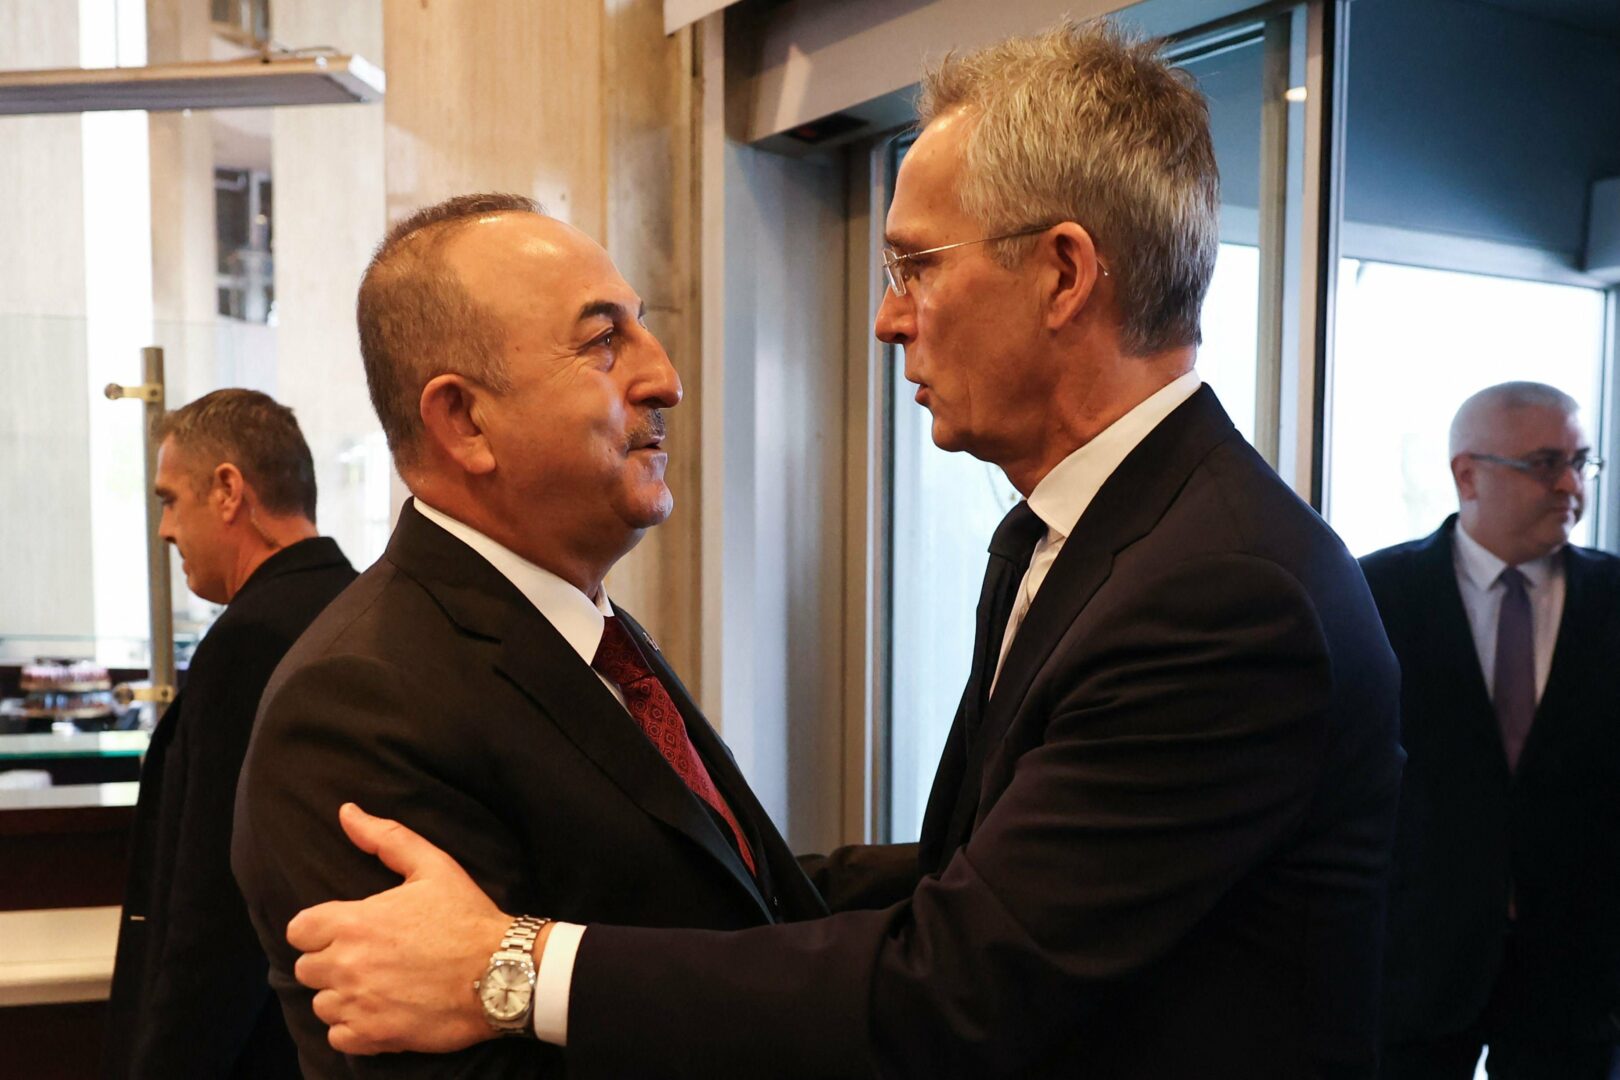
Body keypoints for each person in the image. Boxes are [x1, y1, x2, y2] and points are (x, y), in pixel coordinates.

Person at [284, 21, 1404, 1078]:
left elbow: (957, 981)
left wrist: (516, 968)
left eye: (917, 265)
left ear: (1064, 274)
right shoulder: (1088, 538)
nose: (888, 316)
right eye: (601, 340)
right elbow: (979, 874)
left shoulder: (1221, 594)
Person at [229, 193, 828, 1078]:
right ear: (464, 421)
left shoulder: (587, 633)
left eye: (642, 328)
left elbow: (740, 899)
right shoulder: (356, 703)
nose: (665, 378)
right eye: (603, 341)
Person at [1361, 382, 1620, 1080]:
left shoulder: (1613, 597)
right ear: (1467, 475)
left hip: (1577, 974)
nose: (1570, 485)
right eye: (1545, 464)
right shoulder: (1374, 594)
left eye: (1581, 463)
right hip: (1414, 962)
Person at [103, 389, 356, 1078]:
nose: (164, 530)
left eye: (169, 500)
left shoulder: (249, 642)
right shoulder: (363, 609)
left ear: (227, 491)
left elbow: (216, 909)